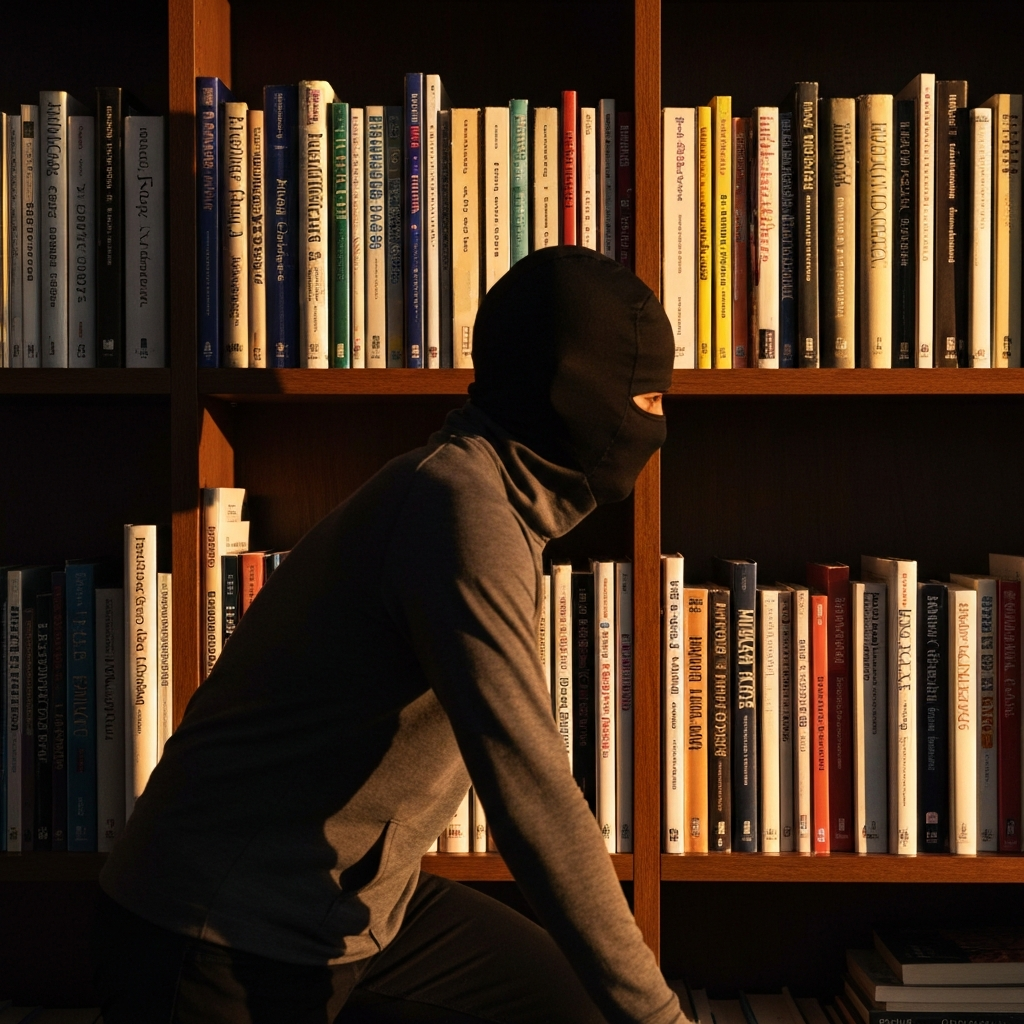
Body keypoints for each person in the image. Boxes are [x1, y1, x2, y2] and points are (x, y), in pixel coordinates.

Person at [97, 246, 684, 1024]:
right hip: (219, 931)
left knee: (574, 1005)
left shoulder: (487, 499)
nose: (659, 424)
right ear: (572, 391)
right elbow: (530, 790)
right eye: (646, 398)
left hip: (360, 913)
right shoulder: (458, 505)